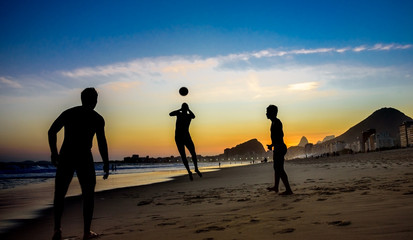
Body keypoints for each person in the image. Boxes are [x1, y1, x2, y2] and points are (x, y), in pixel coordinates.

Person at [48, 88, 109, 240]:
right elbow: (101, 143)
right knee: (88, 195)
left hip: (66, 155)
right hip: (84, 157)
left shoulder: (69, 113)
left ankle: (57, 230)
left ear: (82, 99)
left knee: (60, 194)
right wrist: (106, 162)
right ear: (95, 100)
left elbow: (51, 131)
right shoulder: (97, 118)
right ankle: (86, 232)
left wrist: (54, 153)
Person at [170, 103, 202, 181]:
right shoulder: (187, 116)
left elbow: (171, 114)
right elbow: (170, 114)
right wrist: (187, 110)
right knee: (191, 154)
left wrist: (180, 110)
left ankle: (191, 171)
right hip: (183, 137)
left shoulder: (180, 114)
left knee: (185, 155)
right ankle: (195, 169)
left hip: (182, 137)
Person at [266, 105, 293, 195]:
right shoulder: (273, 122)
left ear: (273, 113)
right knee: (276, 168)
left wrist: (275, 145)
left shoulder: (277, 122)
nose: (266, 113)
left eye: (268, 112)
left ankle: (288, 190)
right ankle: (276, 187)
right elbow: (276, 137)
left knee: (280, 169)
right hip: (278, 147)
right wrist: (272, 145)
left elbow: (281, 135)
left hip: (280, 147)